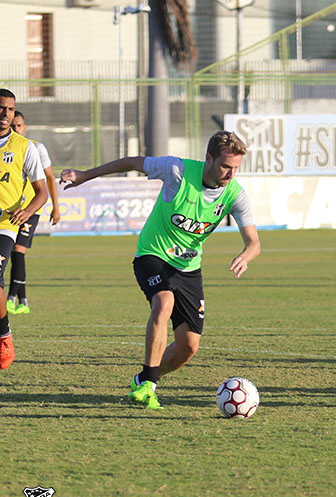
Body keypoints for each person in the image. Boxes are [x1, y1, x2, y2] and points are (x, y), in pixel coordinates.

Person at [60, 131, 261, 409]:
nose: (230, 173)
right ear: (209, 158)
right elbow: (132, 162)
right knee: (163, 300)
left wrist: (246, 255)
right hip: (152, 254)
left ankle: (143, 378)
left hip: (189, 268)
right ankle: (149, 387)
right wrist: (85, 175)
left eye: (236, 168)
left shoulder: (235, 194)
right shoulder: (177, 170)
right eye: (226, 166)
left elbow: (254, 242)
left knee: (188, 348)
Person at [0, 89, 48, 370]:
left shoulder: (25, 147)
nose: (5, 114)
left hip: (5, 224)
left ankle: (4, 335)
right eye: (1, 108)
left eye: (9, 109)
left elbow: (41, 191)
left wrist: (27, 211)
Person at [7, 110, 61, 314]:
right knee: (11, 252)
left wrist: (56, 207)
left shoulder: (36, 147)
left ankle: (11, 299)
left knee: (18, 251)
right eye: (13, 125)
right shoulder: (6, 147)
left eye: (19, 125)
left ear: (25, 126)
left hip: (30, 209)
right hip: (10, 210)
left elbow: (49, 177)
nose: (15, 129)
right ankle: (23, 300)